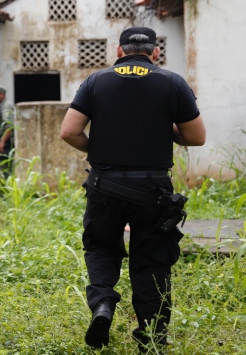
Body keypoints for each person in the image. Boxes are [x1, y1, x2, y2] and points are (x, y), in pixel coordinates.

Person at [60, 27, 206, 352]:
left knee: (101, 248)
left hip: (103, 186)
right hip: (152, 189)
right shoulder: (172, 82)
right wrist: (164, 127)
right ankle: (150, 339)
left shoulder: (96, 81)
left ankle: (103, 304)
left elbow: (69, 131)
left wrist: (100, 149)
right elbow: (196, 137)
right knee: (152, 261)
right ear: (155, 53)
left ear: (118, 51)